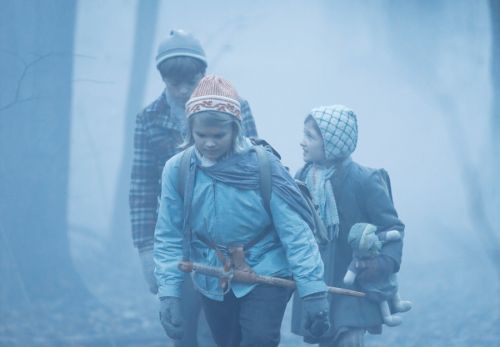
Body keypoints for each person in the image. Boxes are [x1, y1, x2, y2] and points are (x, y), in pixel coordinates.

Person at [154, 75, 331, 347]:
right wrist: (169, 294)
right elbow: (168, 234)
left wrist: (313, 293)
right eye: (202, 135)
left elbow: (295, 233)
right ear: (190, 130)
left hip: (266, 269)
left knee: (259, 339)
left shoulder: (263, 167)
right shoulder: (178, 170)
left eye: (219, 135)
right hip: (212, 274)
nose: (209, 143)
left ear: (236, 130)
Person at [129, 30, 257, 347]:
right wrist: (147, 250)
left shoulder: (236, 107)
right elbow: (142, 188)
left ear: (203, 72)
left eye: (191, 81)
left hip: (233, 234)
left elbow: (256, 171)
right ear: (163, 79)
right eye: (175, 84)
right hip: (180, 236)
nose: (184, 90)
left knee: (228, 326)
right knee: (184, 323)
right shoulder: (150, 118)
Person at [291, 105, 406, 347]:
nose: (302, 142)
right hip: (317, 280)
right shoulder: (302, 179)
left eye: (310, 137)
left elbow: (393, 228)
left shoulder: (364, 180)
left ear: (332, 144)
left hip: (352, 278)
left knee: (349, 338)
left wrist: (380, 264)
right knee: (327, 339)